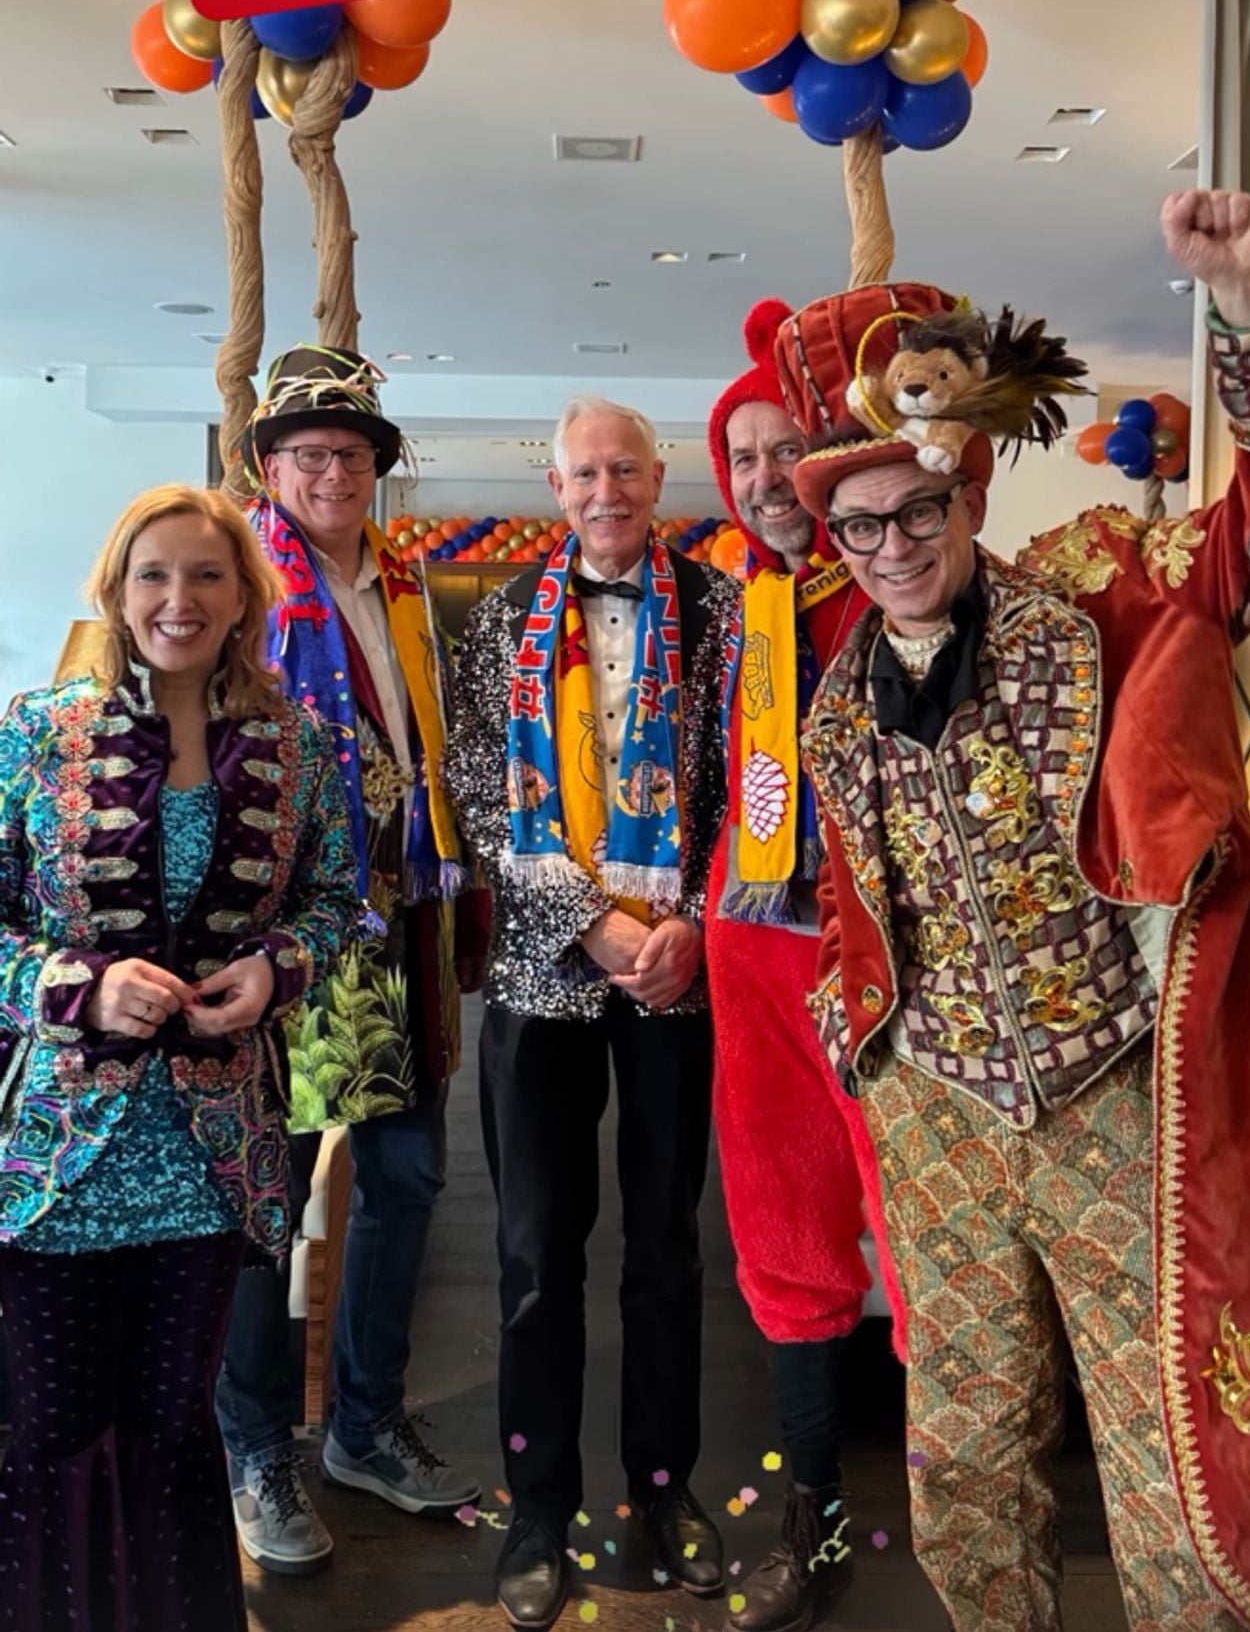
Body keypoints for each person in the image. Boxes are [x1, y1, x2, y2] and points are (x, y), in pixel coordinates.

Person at [777, 189, 1250, 1632]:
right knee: (965, 1455)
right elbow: (848, 898)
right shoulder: (831, 709)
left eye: (914, 506)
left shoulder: (1104, 590)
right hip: (933, 1108)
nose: (888, 544)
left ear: (969, 489)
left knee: (1168, 1433)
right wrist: (849, 1022)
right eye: (856, 521)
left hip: (1112, 1093)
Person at [0, 484, 358, 1632]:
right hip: (58, 1159)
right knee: (51, 1422)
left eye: (206, 573)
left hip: (215, 1155)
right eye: (154, 573)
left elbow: (340, 903)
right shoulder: (32, 731)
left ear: (245, 594)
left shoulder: (303, 747)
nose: (179, 598)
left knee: (172, 1417)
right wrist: (81, 984)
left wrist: (277, 969)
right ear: (114, 589)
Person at [447, 396, 739, 1632]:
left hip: (679, 966)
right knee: (530, 1257)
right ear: (553, 485)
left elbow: (750, 774)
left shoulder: (724, 613)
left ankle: (664, 1487)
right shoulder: (497, 612)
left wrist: (691, 926)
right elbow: (474, 788)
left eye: (625, 466)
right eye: (584, 472)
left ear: (658, 475)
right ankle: (535, 1502)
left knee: (667, 1249)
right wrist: (589, 920)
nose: (606, 488)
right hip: (538, 970)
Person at [215, 346, 487, 1575]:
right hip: (280, 924)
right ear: (271, 468)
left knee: (407, 1179)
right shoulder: (240, 578)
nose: (333, 470)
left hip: (405, 914)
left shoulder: (409, 584)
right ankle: (255, 1442)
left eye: (353, 453)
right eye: (309, 453)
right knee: (263, 1199)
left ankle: (366, 1425)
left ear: (377, 469)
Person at [704, 301, 905, 1632]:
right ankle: (811, 1509)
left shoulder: (893, 585)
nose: (769, 478)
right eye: (747, 455)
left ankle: (978, 1503)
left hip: (889, 953)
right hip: (752, 950)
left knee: (923, 1213)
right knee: (782, 1218)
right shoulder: (729, 602)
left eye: (790, 449)